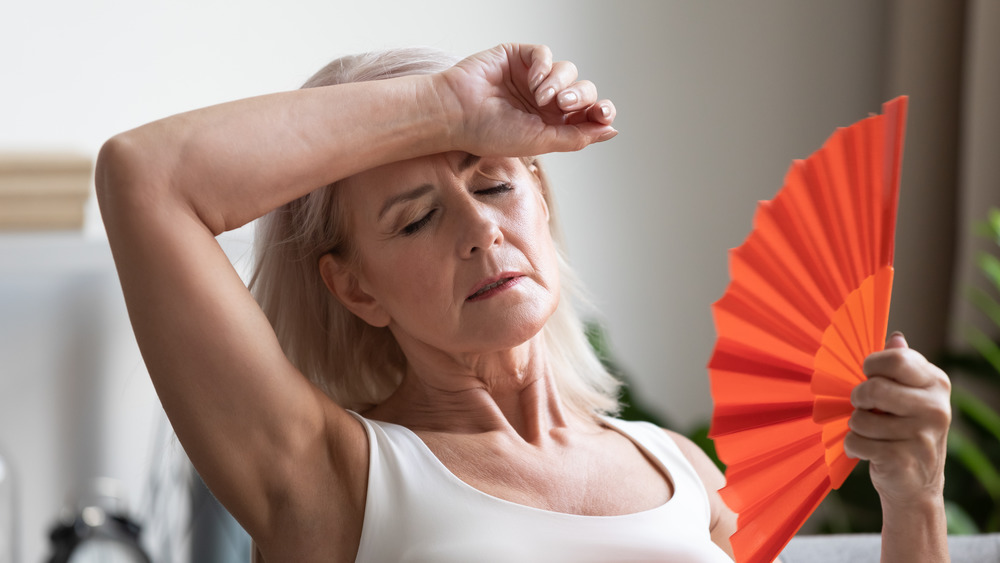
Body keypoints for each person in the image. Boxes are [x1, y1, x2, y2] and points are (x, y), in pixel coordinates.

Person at [96, 43, 952, 562]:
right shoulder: (334, 480)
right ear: (356, 287)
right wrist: (449, 108)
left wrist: (913, 496)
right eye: (417, 218)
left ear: (541, 199)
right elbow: (147, 178)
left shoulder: (678, 470)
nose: (479, 230)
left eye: (496, 182)